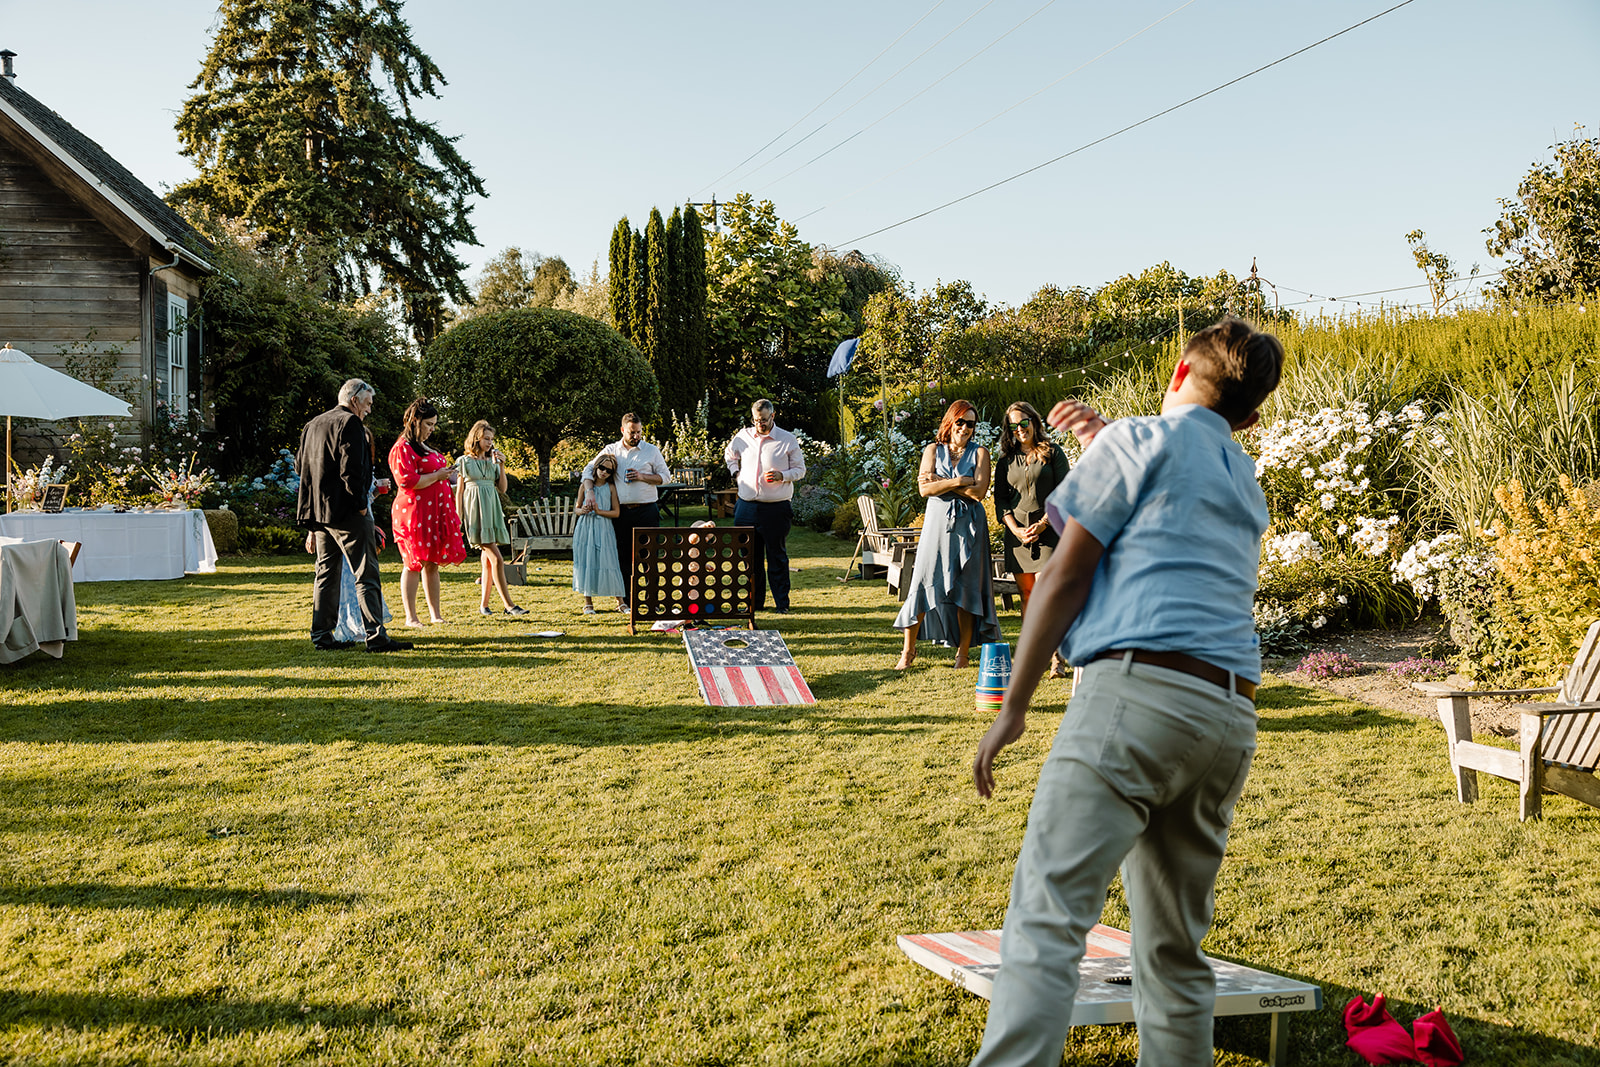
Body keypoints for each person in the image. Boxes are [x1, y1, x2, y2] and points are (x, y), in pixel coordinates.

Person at [968, 318, 1285, 1067]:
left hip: (1137, 698)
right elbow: (1169, 508)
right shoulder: (1242, 476)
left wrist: (1014, 705)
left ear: (1177, 371)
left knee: (1046, 921)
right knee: (1175, 953)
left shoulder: (1137, 440)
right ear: (1251, 417)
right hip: (1228, 715)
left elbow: (1066, 573)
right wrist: (1110, 440)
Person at [294, 378, 409, 653]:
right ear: (355, 399)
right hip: (347, 512)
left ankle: (322, 635)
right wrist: (360, 505)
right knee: (366, 573)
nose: (368, 410)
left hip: (320, 513)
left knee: (326, 574)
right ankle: (376, 635)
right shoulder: (350, 423)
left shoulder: (313, 424)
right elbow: (353, 470)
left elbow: (300, 466)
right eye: (368, 404)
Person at [892, 399, 1003, 670]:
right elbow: (923, 491)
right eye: (960, 422)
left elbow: (978, 493)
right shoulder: (932, 449)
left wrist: (939, 484)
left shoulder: (981, 454)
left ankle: (962, 655)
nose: (965, 428)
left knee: (967, 587)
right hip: (936, 527)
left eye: (971, 424)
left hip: (970, 528)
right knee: (923, 581)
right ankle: (908, 652)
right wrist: (957, 481)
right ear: (950, 422)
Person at [993, 400, 1072, 678]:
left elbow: (1066, 493)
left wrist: (1043, 524)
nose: (1019, 429)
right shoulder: (1005, 460)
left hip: (1049, 532)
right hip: (1017, 536)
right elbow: (1001, 499)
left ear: (1034, 422)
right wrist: (1014, 529)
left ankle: (1057, 659)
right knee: (1027, 596)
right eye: (1013, 426)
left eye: (1023, 423)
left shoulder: (1053, 453)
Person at [303, 425, 395, 642]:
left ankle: (362, 627)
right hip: (346, 524)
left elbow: (365, 496)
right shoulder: (339, 465)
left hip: (361, 521)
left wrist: (375, 493)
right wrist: (313, 531)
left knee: (361, 576)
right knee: (348, 577)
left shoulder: (364, 465)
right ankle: (354, 628)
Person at [388, 398, 466, 627]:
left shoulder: (424, 446)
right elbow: (407, 480)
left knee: (431, 563)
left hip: (434, 512)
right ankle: (411, 618)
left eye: (434, 425)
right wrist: (438, 476)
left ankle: (436, 615)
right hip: (415, 513)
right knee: (414, 563)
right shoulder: (402, 447)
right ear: (415, 421)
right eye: (429, 424)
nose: (432, 429)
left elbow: (436, 475)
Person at [724, 398, 806, 614]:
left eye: (763, 420)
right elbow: (729, 455)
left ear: (773, 416)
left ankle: (782, 604)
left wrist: (783, 475)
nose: (760, 423)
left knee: (776, 556)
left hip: (775, 508)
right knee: (749, 558)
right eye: (756, 420)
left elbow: (800, 470)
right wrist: (736, 472)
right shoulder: (742, 437)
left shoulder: (787, 440)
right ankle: (754, 602)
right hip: (746, 507)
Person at [580, 413, 670, 609]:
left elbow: (665, 477)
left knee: (650, 557)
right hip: (622, 514)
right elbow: (588, 470)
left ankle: (653, 601)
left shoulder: (651, 450)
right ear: (622, 430)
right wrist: (589, 492)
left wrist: (642, 476)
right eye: (632, 432)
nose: (636, 436)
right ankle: (628, 602)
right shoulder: (611, 450)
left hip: (647, 510)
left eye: (638, 432)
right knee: (623, 558)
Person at [455, 420, 526, 617]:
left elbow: (502, 489)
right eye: (486, 438)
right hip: (475, 512)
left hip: (492, 510)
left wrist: (501, 466)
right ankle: (509, 605)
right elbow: (459, 492)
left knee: (487, 561)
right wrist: (457, 518)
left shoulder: (492, 461)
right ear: (476, 438)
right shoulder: (464, 461)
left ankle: (484, 606)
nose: (490, 442)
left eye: (492, 439)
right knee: (497, 558)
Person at [571, 454, 627, 613]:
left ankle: (620, 601)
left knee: (609, 561)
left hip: (604, 527)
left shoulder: (611, 488)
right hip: (586, 527)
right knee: (587, 561)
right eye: (602, 468)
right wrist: (582, 510)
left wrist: (599, 511)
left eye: (609, 470)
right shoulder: (585, 486)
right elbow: (576, 508)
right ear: (596, 467)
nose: (604, 472)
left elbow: (616, 513)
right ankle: (588, 603)